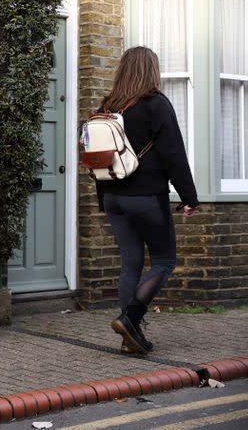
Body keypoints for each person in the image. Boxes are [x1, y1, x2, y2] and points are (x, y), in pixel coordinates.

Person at [95, 46, 198, 355]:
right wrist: (189, 196)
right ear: (151, 70)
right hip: (146, 197)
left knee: (131, 264)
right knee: (164, 261)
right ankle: (130, 319)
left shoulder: (107, 107)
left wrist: (104, 200)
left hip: (113, 197)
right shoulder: (156, 105)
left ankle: (132, 337)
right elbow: (173, 155)